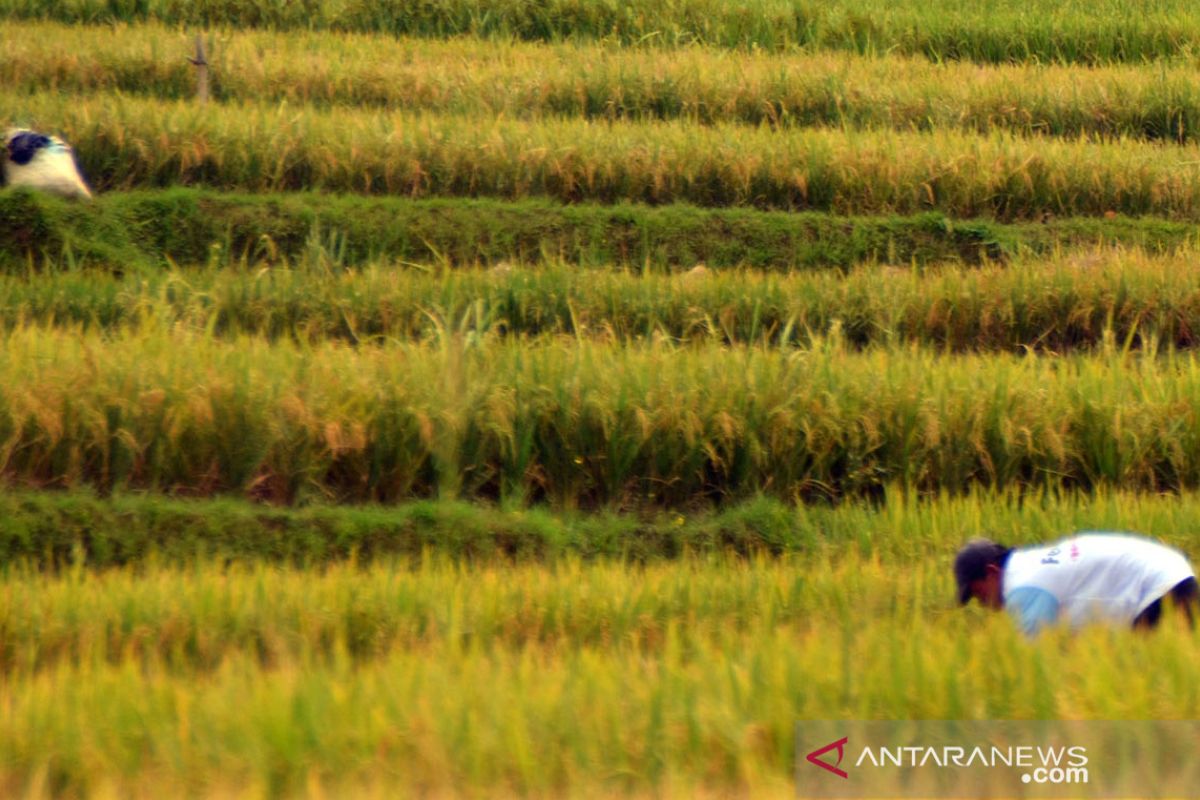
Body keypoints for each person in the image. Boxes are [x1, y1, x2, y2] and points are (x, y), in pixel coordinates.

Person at [954, 532, 1197, 636]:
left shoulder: (1024, 588)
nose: (982, 604)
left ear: (991, 572)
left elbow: (1037, 663)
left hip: (1159, 588)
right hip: (1172, 572)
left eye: (977, 593)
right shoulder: (1028, 565)